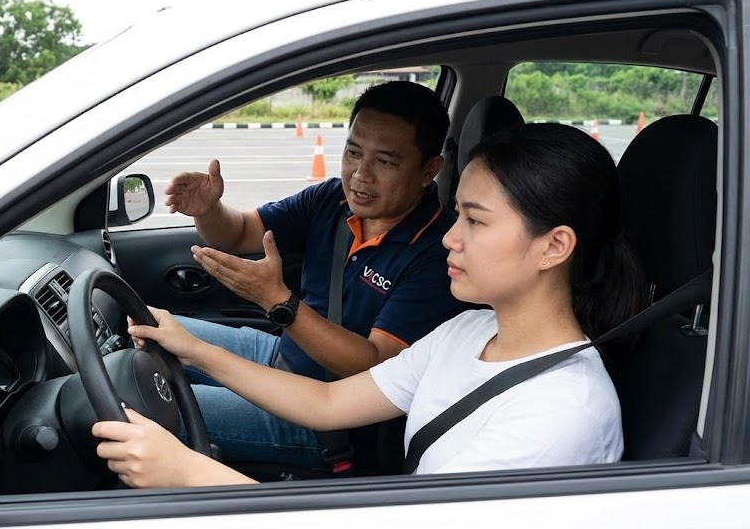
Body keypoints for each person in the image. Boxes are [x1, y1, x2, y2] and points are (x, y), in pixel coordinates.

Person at [92, 122, 648, 487]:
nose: (451, 238)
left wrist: (191, 473)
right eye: (457, 215)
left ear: (554, 246)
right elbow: (329, 403)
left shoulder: (559, 413)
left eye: (475, 221)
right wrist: (195, 349)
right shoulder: (472, 331)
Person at [160, 81, 469, 467]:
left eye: (385, 162)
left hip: (329, 418)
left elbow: (374, 366)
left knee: (147, 402)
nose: (361, 175)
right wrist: (208, 210)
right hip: (280, 354)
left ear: (429, 170)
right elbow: (239, 232)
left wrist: (278, 302)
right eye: (353, 152)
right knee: (147, 329)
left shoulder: (440, 252)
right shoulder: (331, 199)